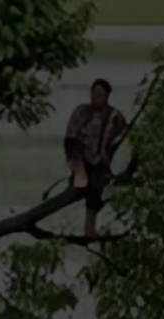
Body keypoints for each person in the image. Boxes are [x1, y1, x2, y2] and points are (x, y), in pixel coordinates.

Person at [65, 78, 127, 238]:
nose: (96, 97)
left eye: (100, 94)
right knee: (75, 150)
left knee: (95, 193)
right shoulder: (81, 111)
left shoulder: (114, 115)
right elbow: (70, 137)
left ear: (107, 95)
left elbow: (121, 136)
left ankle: (89, 229)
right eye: (94, 93)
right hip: (80, 157)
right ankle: (79, 174)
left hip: (99, 161)